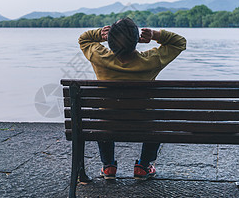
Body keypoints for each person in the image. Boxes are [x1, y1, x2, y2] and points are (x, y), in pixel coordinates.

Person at [78, 17, 187, 180]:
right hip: (143, 123)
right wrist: (155, 35)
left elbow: (83, 39)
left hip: (109, 122)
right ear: (136, 41)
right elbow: (180, 42)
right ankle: (143, 167)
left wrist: (99, 34)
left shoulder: (99, 57)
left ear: (110, 41)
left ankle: (108, 167)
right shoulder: (151, 60)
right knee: (159, 113)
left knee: (99, 112)